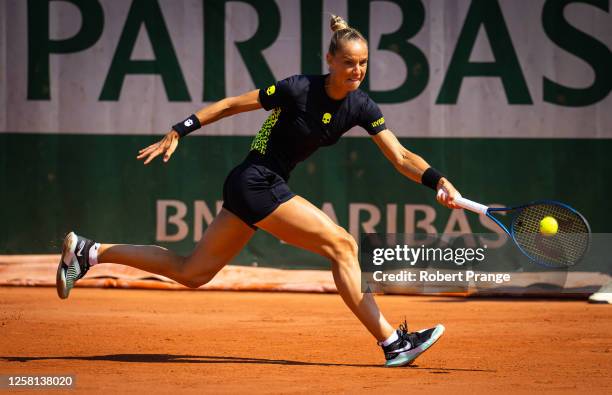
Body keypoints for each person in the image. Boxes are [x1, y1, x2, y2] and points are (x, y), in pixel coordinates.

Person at [56, 15, 461, 367]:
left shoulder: (361, 106)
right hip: (256, 181)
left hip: (257, 185)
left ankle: (89, 252)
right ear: (330, 61)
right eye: (349, 63)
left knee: (192, 272)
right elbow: (233, 104)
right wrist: (180, 129)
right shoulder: (298, 88)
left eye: (364, 63)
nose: (357, 71)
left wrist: (438, 181)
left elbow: (401, 156)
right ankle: (393, 343)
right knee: (343, 245)